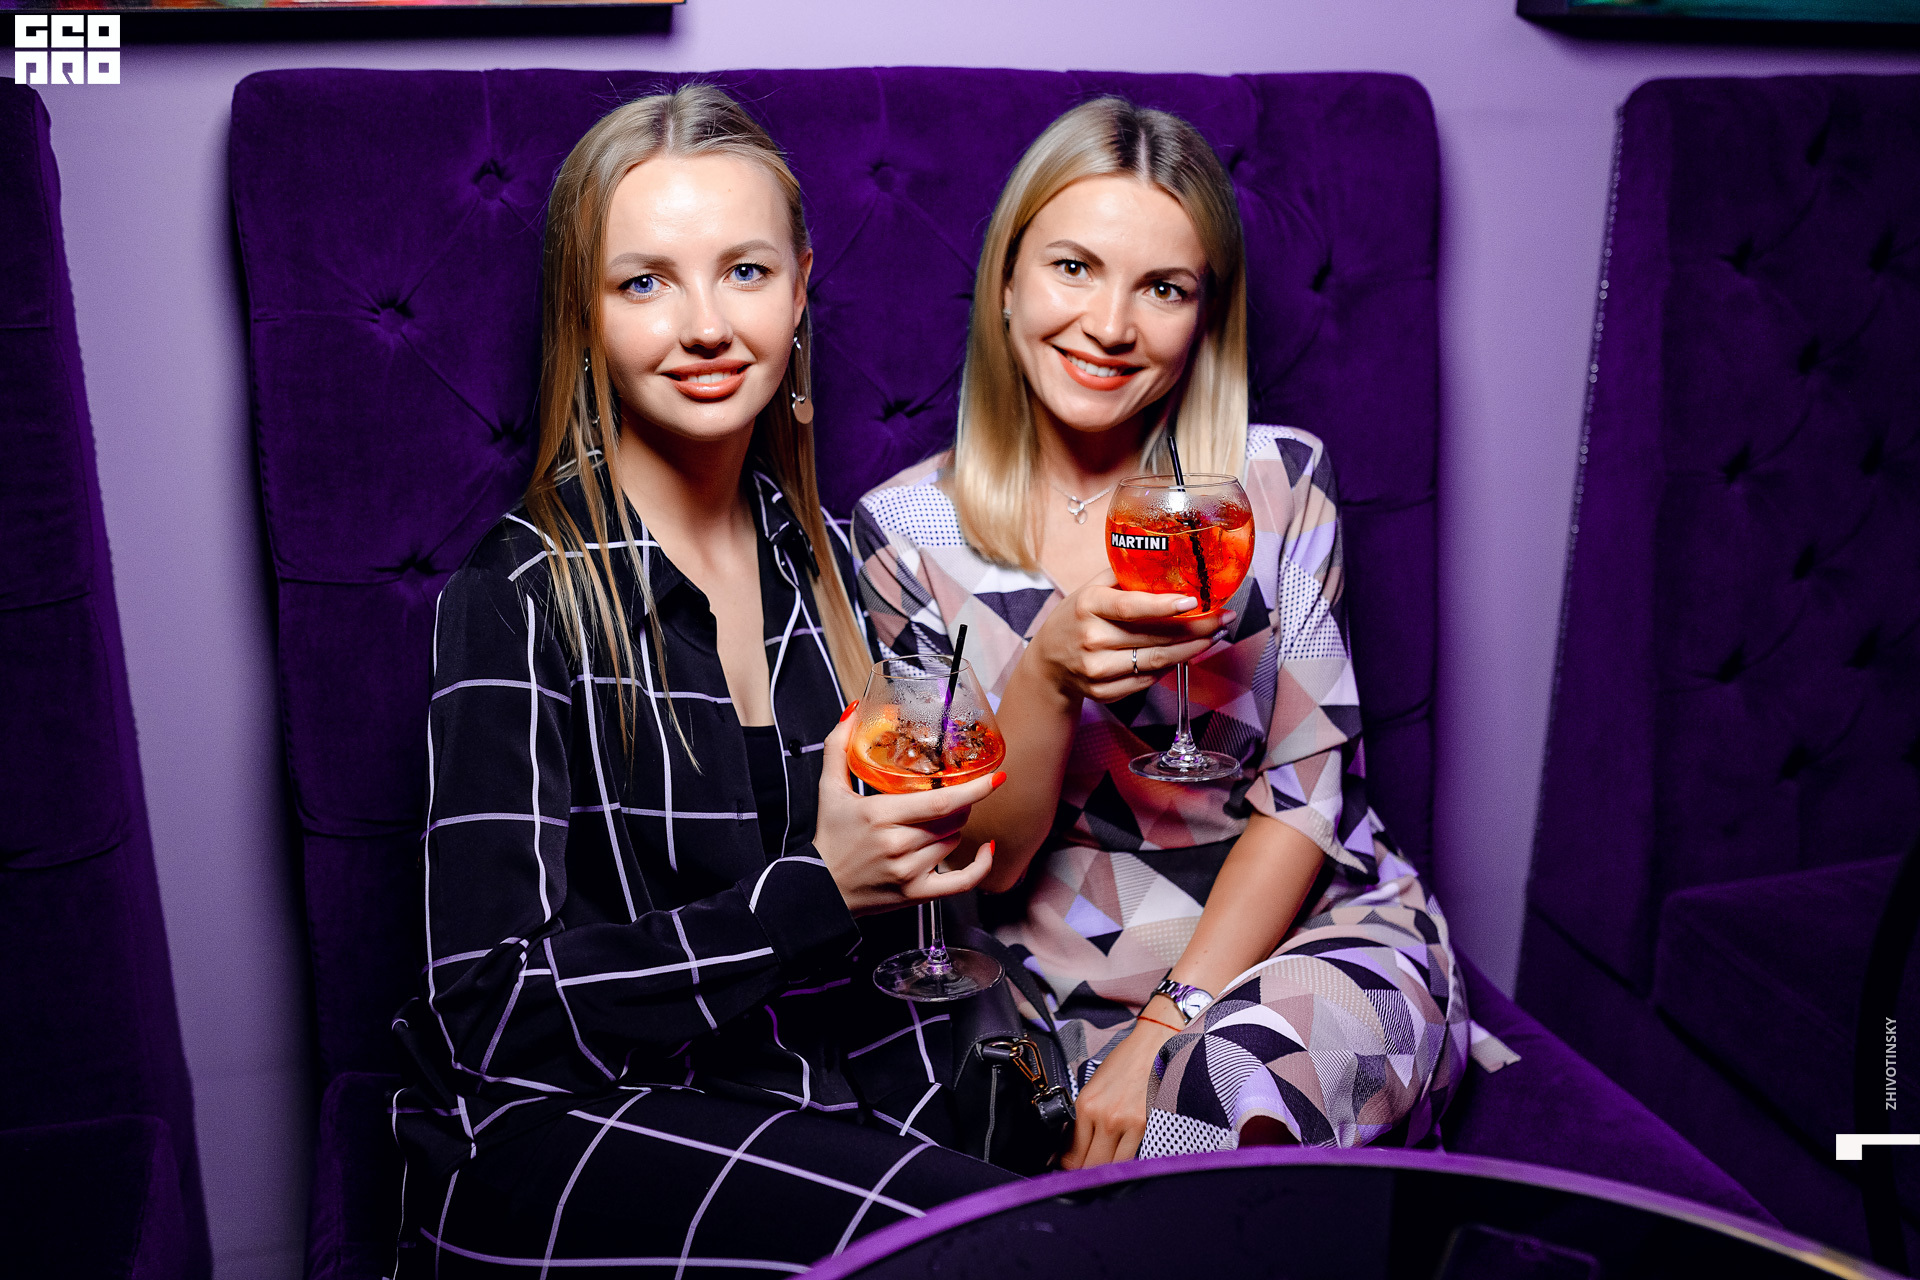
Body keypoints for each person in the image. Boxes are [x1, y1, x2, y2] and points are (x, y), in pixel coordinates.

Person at [390, 86, 1016, 1279]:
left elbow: (912, 939)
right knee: (976, 1239)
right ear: (584, 311)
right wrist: (817, 890)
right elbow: (485, 1013)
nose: (706, 326)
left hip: (796, 1097)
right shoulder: (516, 594)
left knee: (1048, 1213)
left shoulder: (826, 559)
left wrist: (1018, 1091)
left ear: (800, 286)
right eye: (645, 282)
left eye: (745, 271)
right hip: (569, 1127)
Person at [856, 97, 1471, 1170]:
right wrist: (1047, 676)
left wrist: (1168, 1026)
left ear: (1204, 318)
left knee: (1216, 1103)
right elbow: (980, 863)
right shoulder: (906, 530)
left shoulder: (1277, 485)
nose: (1110, 325)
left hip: (1300, 936)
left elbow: (1306, 800)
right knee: (992, 1151)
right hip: (1045, 979)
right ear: (1006, 283)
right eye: (1074, 268)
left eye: (1164, 288)